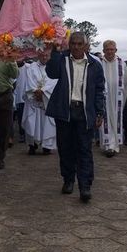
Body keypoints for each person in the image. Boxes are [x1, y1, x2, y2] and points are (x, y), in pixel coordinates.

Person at [45, 32, 105, 203]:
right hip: (65, 111)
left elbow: (100, 90)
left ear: (86, 46)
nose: (76, 47)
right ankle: (68, 179)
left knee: (84, 149)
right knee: (65, 148)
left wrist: (100, 112)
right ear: (69, 45)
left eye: (80, 44)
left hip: (85, 113)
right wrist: (56, 52)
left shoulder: (94, 64)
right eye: (73, 44)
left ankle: (85, 186)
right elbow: (51, 73)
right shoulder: (62, 59)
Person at [21, 53, 58, 155]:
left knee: (47, 122)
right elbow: (29, 81)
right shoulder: (31, 67)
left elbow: (54, 82)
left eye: (47, 55)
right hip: (34, 100)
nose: (45, 57)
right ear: (38, 55)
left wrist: (43, 92)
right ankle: (32, 145)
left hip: (47, 100)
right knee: (32, 121)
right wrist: (36, 92)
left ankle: (47, 146)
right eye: (42, 55)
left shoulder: (53, 68)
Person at [99, 40, 127, 157]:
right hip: (104, 96)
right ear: (104, 51)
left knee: (116, 119)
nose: (110, 52)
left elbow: (126, 81)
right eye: (107, 49)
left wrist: (123, 95)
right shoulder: (99, 63)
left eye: (112, 49)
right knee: (105, 120)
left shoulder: (122, 63)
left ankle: (115, 144)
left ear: (116, 50)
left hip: (117, 96)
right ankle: (107, 145)